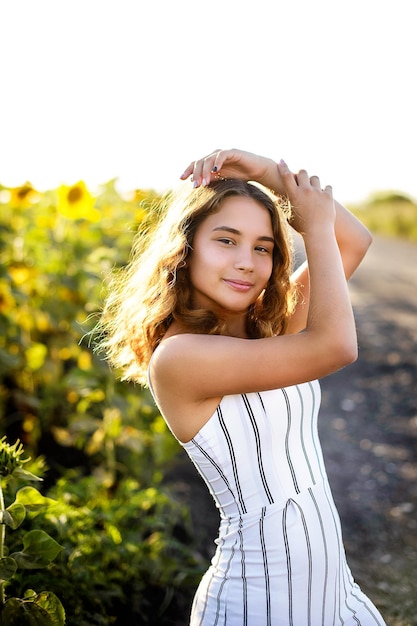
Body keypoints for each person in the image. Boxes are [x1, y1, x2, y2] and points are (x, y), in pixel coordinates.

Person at [97, 148, 386, 625]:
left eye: (263, 246)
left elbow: (354, 241)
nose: (247, 262)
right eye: (226, 240)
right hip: (257, 600)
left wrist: (267, 172)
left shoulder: (266, 334)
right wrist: (312, 228)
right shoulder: (180, 358)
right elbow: (336, 345)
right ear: (184, 249)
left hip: (332, 591)